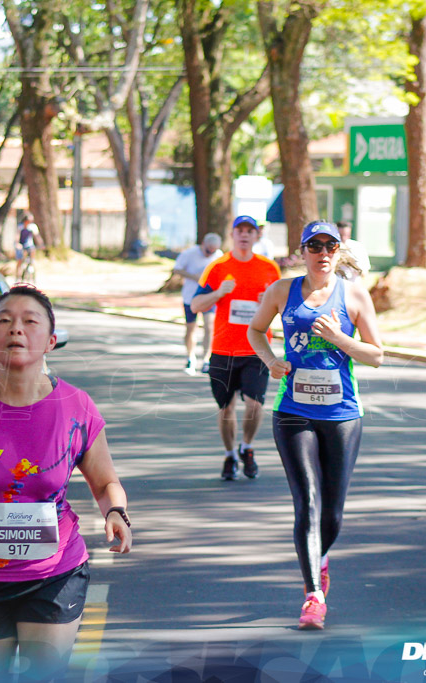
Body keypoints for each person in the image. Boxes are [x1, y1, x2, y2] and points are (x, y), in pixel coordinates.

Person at [0, 285, 132, 682]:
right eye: (5, 321)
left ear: (50, 341)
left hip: (54, 573)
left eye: (30, 321)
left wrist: (116, 512)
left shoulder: (75, 407)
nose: (17, 329)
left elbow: (104, 483)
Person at [247, 220, 384, 630]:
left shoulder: (355, 294)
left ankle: (320, 560)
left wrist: (342, 339)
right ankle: (313, 596)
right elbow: (255, 329)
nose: (322, 252)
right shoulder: (281, 291)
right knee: (307, 500)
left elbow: (376, 355)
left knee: (333, 511)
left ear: (339, 251)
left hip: (342, 413)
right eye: (314, 245)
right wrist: (271, 360)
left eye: (330, 245)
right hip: (292, 410)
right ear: (302, 250)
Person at [190, 216, 281, 481]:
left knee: (255, 405)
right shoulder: (217, 267)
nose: (244, 235)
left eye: (249, 231)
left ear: (256, 236)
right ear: (232, 234)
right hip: (223, 350)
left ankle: (247, 447)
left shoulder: (269, 268)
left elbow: (285, 307)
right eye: (239, 230)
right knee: (226, 408)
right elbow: (196, 305)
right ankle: (230, 455)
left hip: (257, 350)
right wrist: (218, 293)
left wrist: (270, 303)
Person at [172, 233, 223, 375]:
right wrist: (194, 276)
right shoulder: (189, 253)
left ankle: (206, 359)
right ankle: (190, 357)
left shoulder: (219, 256)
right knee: (191, 328)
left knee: (209, 326)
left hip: (209, 298)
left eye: (213, 251)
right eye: (208, 251)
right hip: (190, 296)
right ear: (203, 244)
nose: (210, 254)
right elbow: (176, 269)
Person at [16, 212, 43, 279]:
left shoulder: (33, 227)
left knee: (32, 251)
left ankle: (31, 264)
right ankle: (18, 275)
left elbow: (37, 236)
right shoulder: (21, 226)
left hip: (29, 244)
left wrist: (41, 244)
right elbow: (17, 235)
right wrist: (17, 243)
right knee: (20, 259)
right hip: (21, 244)